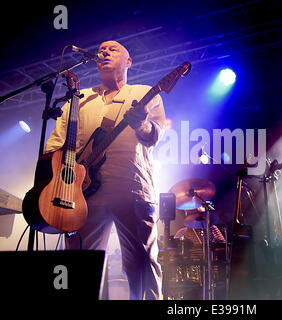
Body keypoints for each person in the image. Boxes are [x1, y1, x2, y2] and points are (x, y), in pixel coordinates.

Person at [45, 40, 166, 300]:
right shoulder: (79, 100)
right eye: (102, 49)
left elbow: (154, 135)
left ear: (129, 62)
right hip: (84, 195)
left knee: (141, 264)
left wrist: (141, 124)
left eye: (114, 48)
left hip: (132, 188)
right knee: (80, 265)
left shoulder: (145, 93)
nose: (105, 51)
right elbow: (55, 146)